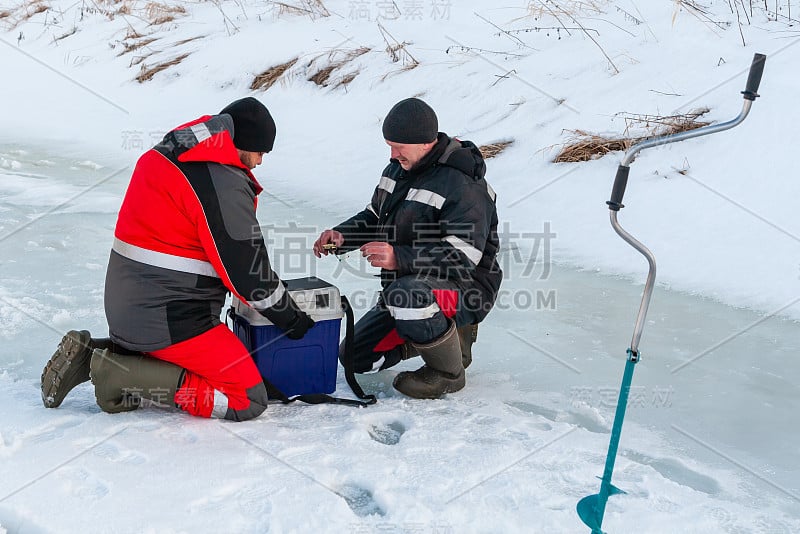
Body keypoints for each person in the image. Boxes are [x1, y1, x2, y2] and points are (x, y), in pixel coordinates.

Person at [41, 97, 314, 421]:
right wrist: (291, 319)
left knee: (193, 356)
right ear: (247, 143)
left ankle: (93, 357)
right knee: (246, 398)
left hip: (129, 304)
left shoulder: (181, 145)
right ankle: (121, 374)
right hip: (171, 316)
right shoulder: (222, 182)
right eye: (260, 152)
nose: (260, 161)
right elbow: (248, 275)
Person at [313, 97, 501, 399]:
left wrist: (397, 256)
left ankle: (448, 371)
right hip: (409, 286)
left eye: (398, 146)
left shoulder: (463, 185)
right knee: (354, 356)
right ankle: (442, 339)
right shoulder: (397, 169)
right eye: (389, 145)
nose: (392, 153)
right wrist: (342, 236)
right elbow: (375, 217)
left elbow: (463, 258)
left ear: (425, 143)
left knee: (408, 294)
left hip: (465, 288)